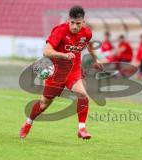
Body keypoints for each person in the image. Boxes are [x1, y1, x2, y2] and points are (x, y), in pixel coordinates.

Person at [19, 6, 103, 140]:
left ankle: (82, 129)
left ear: (83, 22)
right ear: (68, 20)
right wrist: (63, 55)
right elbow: (46, 51)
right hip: (56, 73)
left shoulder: (86, 33)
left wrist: (96, 59)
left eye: (78, 23)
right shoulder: (60, 31)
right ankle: (28, 123)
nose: (75, 26)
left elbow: (89, 44)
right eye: (72, 23)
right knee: (44, 104)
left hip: (73, 71)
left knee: (82, 94)